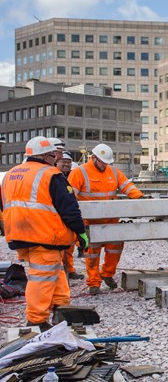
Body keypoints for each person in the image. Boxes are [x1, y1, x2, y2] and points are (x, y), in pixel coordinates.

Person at [1, 136, 89, 330]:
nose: (55, 160)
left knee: (53, 272)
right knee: (41, 277)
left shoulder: (10, 174)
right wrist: (80, 233)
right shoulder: (51, 174)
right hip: (44, 235)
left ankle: (61, 308)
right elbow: (69, 209)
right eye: (54, 156)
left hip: (18, 234)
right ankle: (37, 320)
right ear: (47, 156)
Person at [68, 143, 145, 295]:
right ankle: (94, 283)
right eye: (102, 162)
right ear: (94, 158)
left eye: (107, 163)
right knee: (92, 254)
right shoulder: (79, 172)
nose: (105, 165)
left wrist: (139, 197)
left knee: (115, 250)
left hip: (111, 222)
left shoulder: (113, 172)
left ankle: (107, 274)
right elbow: (70, 197)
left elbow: (127, 186)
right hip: (90, 223)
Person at [55, 152, 85, 281]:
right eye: (63, 162)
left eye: (68, 162)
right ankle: (61, 272)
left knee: (70, 246)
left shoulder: (69, 176)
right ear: (57, 162)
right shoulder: (55, 177)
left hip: (69, 214)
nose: (66, 164)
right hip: (58, 216)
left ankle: (69, 270)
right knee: (60, 248)